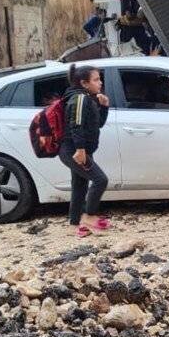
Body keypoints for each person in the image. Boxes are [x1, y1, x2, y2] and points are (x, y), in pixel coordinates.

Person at [59, 64, 111, 238]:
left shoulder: (88, 98)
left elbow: (98, 125)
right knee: (100, 180)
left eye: (99, 79)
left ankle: (75, 224)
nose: (100, 83)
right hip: (73, 150)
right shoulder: (79, 99)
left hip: (79, 150)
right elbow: (76, 125)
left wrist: (104, 106)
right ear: (84, 83)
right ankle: (88, 216)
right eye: (96, 79)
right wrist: (80, 150)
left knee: (79, 186)